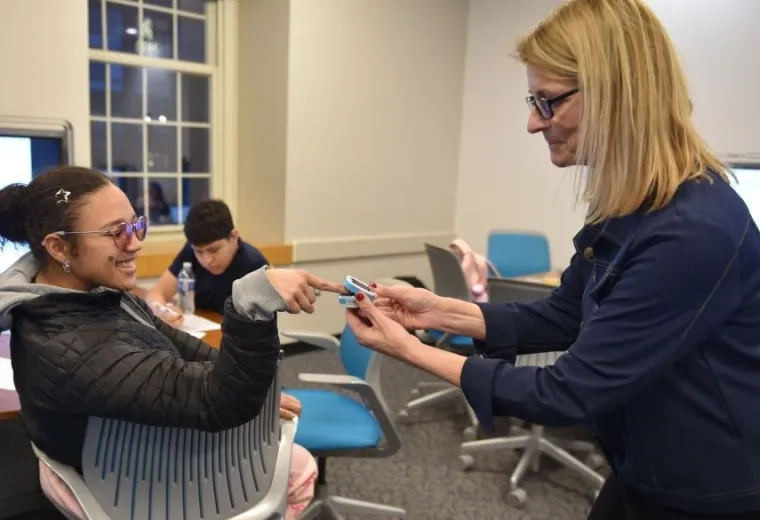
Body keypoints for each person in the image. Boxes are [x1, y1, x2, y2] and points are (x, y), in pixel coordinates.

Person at [344, 1, 760, 519]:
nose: (532, 124)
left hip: (707, 492)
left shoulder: (695, 231)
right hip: (642, 466)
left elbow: (567, 393)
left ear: (617, 95)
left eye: (548, 103)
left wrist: (409, 349)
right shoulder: (631, 208)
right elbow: (564, 315)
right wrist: (435, 311)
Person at [0, 166, 343, 519]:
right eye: (116, 232)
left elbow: (179, 344)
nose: (134, 242)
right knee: (299, 466)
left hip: (120, 457)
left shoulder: (90, 295)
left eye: (135, 225)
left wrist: (252, 388)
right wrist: (251, 304)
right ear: (59, 247)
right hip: (124, 487)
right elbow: (220, 402)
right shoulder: (73, 347)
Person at [144, 199, 269, 324]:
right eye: (199, 252)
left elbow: (259, 327)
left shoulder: (255, 266)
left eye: (214, 250)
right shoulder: (191, 251)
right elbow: (156, 294)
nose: (207, 260)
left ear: (234, 237)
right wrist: (162, 311)